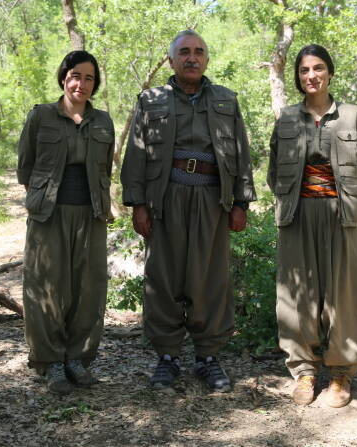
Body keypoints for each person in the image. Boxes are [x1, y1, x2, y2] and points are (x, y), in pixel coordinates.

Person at [121, 30, 256, 393]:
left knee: (209, 279)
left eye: (198, 52)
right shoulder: (151, 100)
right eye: (184, 52)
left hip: (212, 200)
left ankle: (208, 356)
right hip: (165, 199)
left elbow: (241, 153)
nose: (192, 58)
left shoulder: (226, 100)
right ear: (171, 60)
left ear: (206, 59)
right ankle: (167, 356)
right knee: (163, 278)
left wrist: (241, 202)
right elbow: (135, 155)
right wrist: (137, 204)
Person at [267, 44, 357, 407]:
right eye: (304, 70)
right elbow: (274, 170)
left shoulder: (351, 115)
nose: (311, 75)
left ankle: (341, 373)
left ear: (330, 72)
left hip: (341, 216)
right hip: (297, 215)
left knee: (344, 294)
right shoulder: (287, 119)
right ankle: (303, 371)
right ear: (297, 77)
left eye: (318, 68)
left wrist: (342, 193)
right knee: (296, 295)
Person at [17, 51, 114, 395]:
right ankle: (50, 361)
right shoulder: (41, 116)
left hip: (91, 213)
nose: (81, 84)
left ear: (94, 84)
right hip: (49, 214)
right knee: (46, 286)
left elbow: (105, 169)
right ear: (63, 78)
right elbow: (25, 167)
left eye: (89, 78)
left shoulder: (103, 121)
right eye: (75, 76)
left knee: (88, 288)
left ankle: (77, 359)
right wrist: (44, 200)